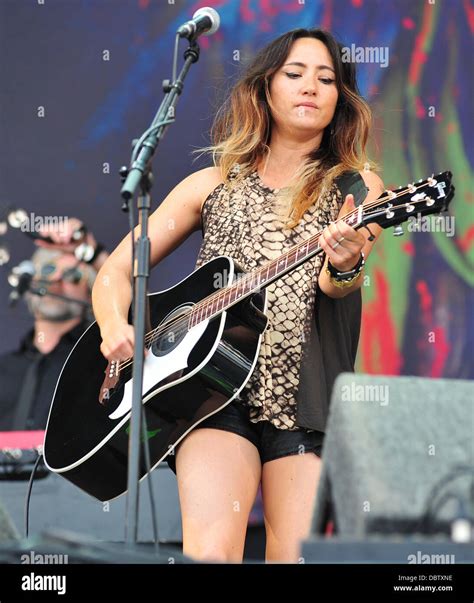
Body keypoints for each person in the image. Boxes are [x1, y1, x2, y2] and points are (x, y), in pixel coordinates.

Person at [92, 28, 385, 563]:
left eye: (327, 79)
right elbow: (115, 272)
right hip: (210, 395)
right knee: (210, 554)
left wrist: (344, 262)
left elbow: (336, 283)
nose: (310, 88)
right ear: (265, 88)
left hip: (305, 401)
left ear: (341, 98)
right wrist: (115, 328)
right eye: (295, 74)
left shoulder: (357, 186)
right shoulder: (212, 183)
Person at [0, 219, 107, 431]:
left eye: (73, 276)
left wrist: (93, 253)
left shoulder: (101, 360)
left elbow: (138, 307)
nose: (56, 280)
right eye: (48, 270)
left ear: (90, 294)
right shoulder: (4, 367)